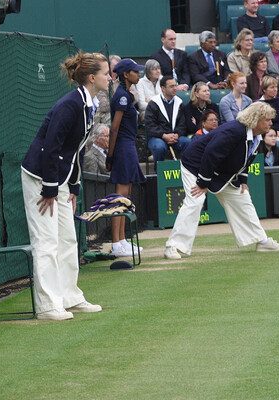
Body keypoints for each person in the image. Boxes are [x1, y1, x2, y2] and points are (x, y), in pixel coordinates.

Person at [22, 52, 108, 321]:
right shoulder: (69, 105)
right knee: (46, 242)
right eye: (106, 73)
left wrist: (73, 187)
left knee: (68, 238)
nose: (110, 77)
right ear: (92, 78)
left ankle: (69, 296)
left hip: (60, 179)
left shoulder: (90, 105)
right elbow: (51, 147)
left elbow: (77, 150)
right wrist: (48, 188)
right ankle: (48, 306)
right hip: (40, 177)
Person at [163, 102, 279, 260]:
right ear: (256, 119)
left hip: (220, 171)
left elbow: (247, 158)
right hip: (195, 165)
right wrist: (203, 183)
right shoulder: (234, 131)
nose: (271, 123)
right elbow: (211, 153)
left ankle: (262, 241)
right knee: (196, 200)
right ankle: (173, 245)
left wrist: (243, 179)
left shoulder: (256, 136)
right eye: (267, 120)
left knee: (242, 198)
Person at [107, 58, 147, 258]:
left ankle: (122, 240)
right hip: (122, 147)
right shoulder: (122, 97)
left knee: (126, 196)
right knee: (119, 197)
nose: (138, 74)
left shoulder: (127, 95)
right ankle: (116, 243)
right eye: (135, 71)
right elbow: (114, 128)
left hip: (128, 146)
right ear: (125, 74)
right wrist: (110, 154)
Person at [145, 76, 190, 161]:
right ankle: (159, 172)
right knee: (159, 147)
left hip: (175, 137)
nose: (175, 88)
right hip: (157, 137)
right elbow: (150, 125)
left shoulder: (179, 103)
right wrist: (164, 135)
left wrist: (177, 134)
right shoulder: (153, 104)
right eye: (171, 86)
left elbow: (182, 124)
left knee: (188, 143)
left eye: (175, 85)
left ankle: (185, 170)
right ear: (163, 88)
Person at [93, 55, 121, 126]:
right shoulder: (100, 85)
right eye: (106, 74)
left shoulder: (122, 80)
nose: (109, 78)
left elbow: (135, 98)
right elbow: (103, 106)